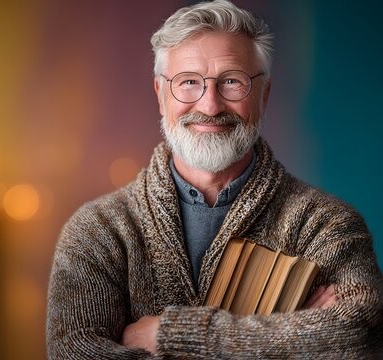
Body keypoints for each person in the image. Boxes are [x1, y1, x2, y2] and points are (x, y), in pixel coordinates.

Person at [45, 0, 382, 358]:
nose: (210, 105)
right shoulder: (97, 230)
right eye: (188, 82)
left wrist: (172, 335)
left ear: (264, 95)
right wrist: (291, 339)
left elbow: (362, 334)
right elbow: (74, 353)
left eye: (232, 82)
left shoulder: (327, 224)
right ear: (160, 95)